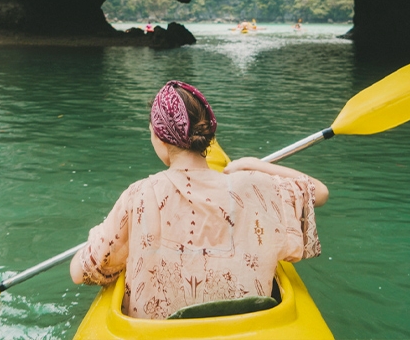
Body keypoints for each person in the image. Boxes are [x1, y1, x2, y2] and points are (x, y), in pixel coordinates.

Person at [70, 81, 328, 319]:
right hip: (246, 328)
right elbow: (319, 192)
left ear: (159, 136)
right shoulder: (253, 186)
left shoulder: (139, 194)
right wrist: (255, 165)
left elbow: (80, 273)